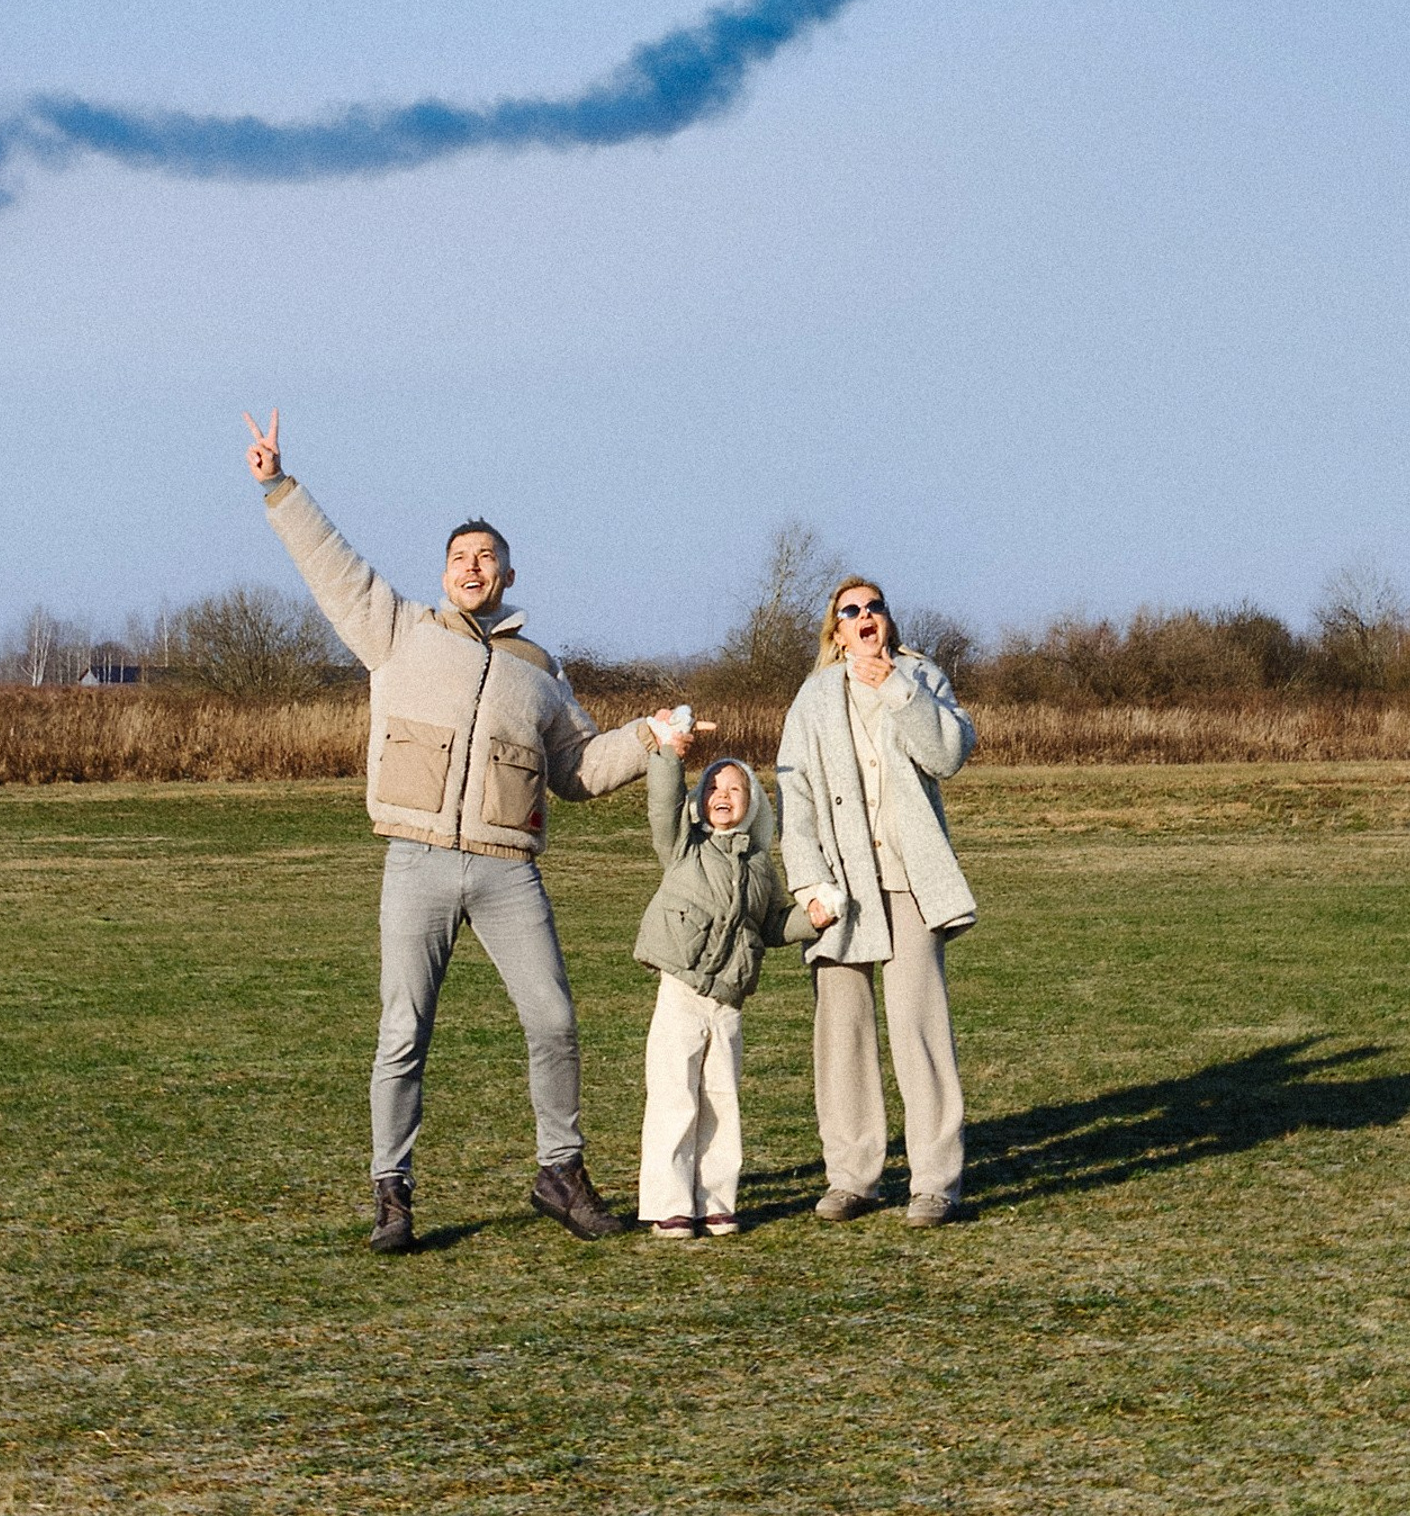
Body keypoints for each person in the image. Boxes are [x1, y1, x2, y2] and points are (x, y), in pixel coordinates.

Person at [243, 407, 685, 1252]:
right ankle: (393, 1193)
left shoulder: (539, 671)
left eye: (487, 557)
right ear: (443, 573)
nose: (472, 568)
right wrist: (277, 485)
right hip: (415, 861)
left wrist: (650, 738)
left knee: (553, 1018)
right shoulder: (398, 630)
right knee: (403, 1032)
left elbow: (581, 770)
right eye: (459, 557)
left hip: (507, 870)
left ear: (510, 574)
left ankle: (560, 1173)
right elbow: (331, 566)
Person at [776, 576, 976, 1228]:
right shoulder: (812, 697)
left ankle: (934, 1183)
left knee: (919, 1028)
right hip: (840, 887)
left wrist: (893, 687)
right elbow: (793, 796)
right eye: (850, 611)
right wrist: (808, 884)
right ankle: (852, 1178)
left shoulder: (920, 677)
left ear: (888, 620)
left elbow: (949, 753)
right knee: (843, 1034)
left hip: (910, 882)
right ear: (835, 630)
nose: (865, 616)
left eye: (875, 607)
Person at [632, 729, 826, 1240]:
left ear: (753, 804)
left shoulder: (761, 867)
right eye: (713, 786)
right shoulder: (683, 848)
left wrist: (813, 919)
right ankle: (669, 1204)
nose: (722, 794)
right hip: (680, 991)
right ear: (699, 802)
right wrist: (669, 757)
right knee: (675, 1097)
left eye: (735, 788)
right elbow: (661, 805)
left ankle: (716, 1202)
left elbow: (771, 925)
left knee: (721, 1100)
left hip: (729, 1001)